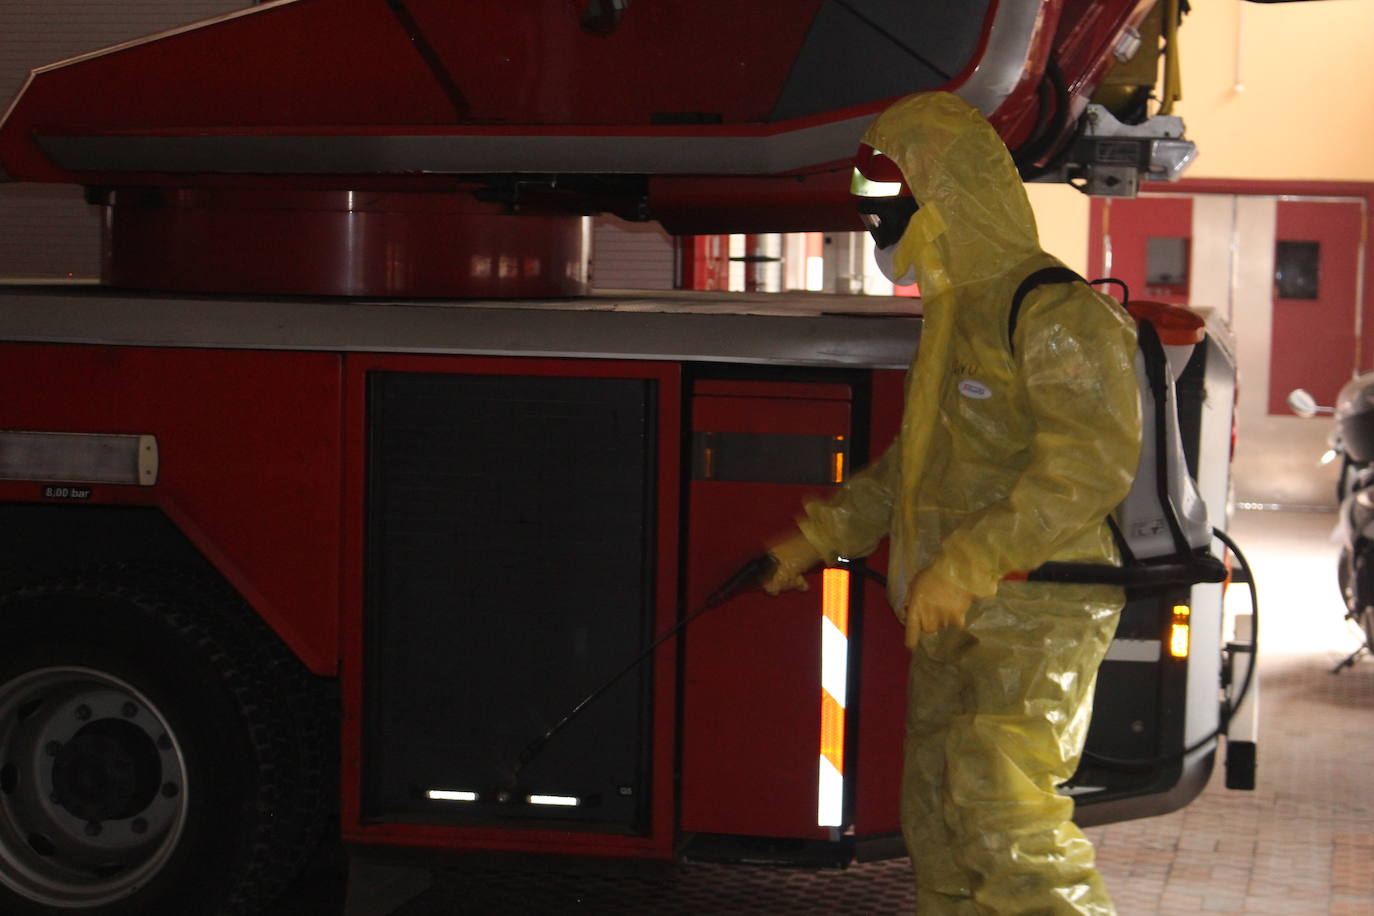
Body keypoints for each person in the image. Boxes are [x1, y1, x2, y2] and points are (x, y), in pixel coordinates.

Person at [762, 92, 1142, 914]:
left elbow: (1086, 468)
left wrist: (968, 564)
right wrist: (816, 536)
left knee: (1010, 826)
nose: (876, 234)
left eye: (887, 211)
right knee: (938, 820)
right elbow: (919, 469)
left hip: (1035, 608)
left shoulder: (1053, 312)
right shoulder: (956, 318)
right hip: (955, 613)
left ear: (944, 199)